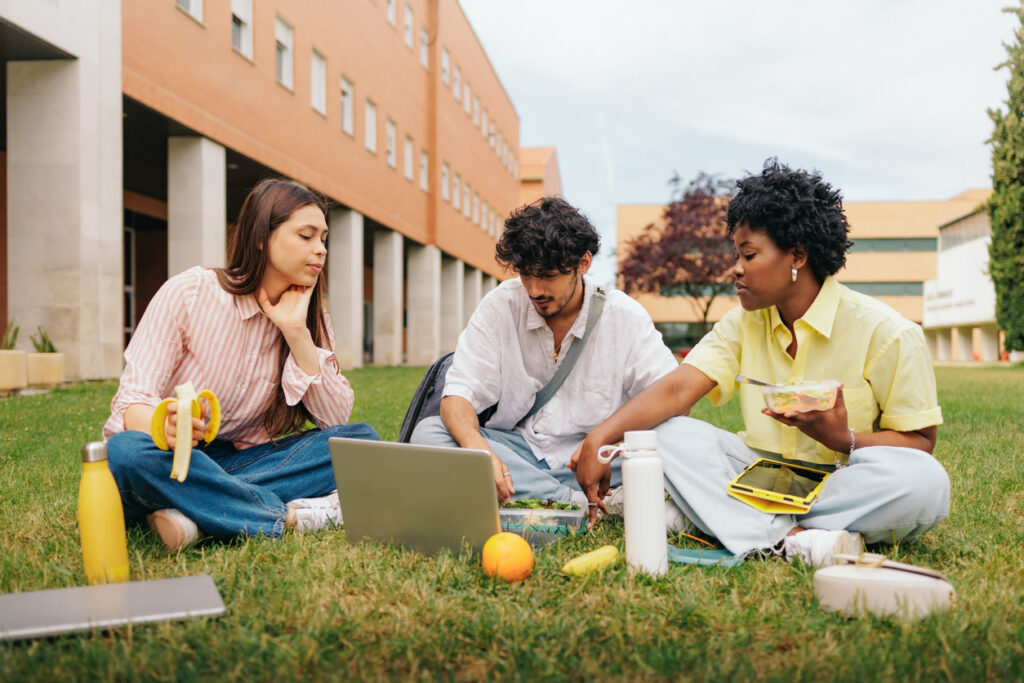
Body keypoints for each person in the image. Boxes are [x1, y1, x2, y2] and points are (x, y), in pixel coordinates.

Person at [571, 160, 950, 567]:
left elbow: (920, 444)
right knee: (667, 432)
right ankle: (787, 538)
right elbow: (678, 389)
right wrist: (600, 438)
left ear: (798, 256)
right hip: (756, 476)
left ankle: (715, 519)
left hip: (841, 480)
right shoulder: (741, 323)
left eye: (748, 255)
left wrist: (844, 439)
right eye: (736, 254)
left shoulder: (888, 333)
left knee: (926, 484)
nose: (735, 268)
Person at [103, 177, 379, 551]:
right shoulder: (191, 293)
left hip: (242, 463)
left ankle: (194, 514)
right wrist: (163, 424)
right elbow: (129, 400)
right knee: (126, 453)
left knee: (359, 443)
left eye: (323, 239)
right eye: (306, 236)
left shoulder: (310, 318)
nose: (320, 250)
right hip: (172, 459)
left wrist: (297, 333)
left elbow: (335, 420)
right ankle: (287, 517)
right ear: (262, 237)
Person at [410, 196, 680, 517]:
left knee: (674, 444)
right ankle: (578, 502)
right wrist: (481, 453)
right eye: (526, 274)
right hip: (520, 454)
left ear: (583, 263)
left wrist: (604, 442)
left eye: (548, 275)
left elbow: (673, 397)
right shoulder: (500, 306)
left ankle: (536, 495)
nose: (535, 289)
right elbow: (457, 397)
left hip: (603, 459)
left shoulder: (624, 316)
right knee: (429, 433)